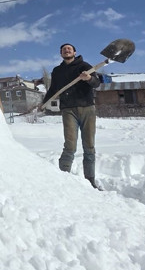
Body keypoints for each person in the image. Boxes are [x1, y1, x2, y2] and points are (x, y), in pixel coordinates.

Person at [39, 43, 103, 188]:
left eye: (69, 48)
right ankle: (64, 179)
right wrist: (43, 103)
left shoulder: (85, 66)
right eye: (64, 49)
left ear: (74, 52)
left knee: (89, 146)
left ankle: (90, 181)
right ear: (61, 54)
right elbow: (53, 90)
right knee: (70, 146)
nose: (66, 50)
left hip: (87, 108)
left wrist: (88, 78)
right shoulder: (57, 71)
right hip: (68, 110)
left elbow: (96, 83)